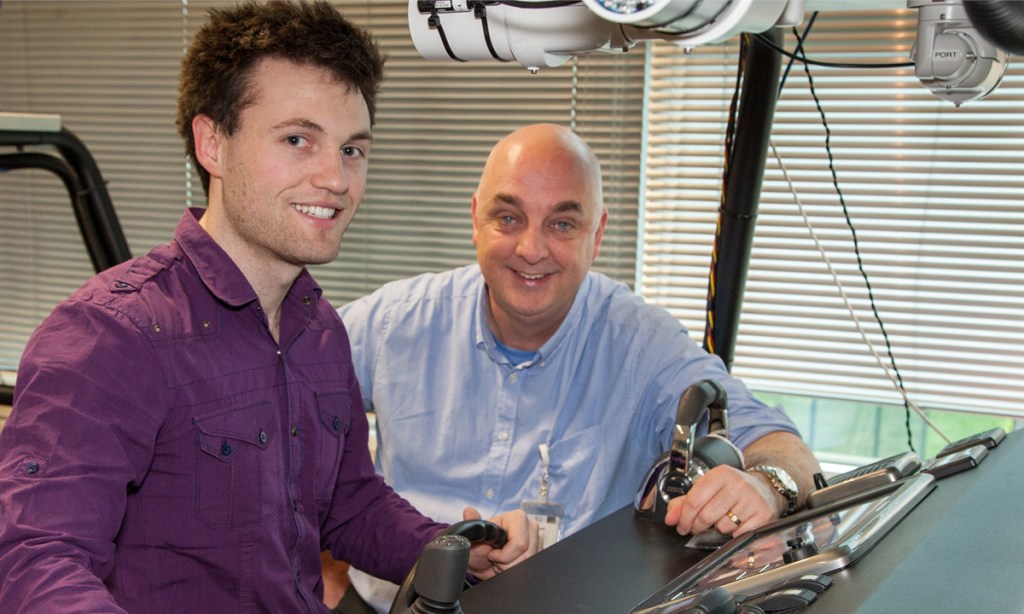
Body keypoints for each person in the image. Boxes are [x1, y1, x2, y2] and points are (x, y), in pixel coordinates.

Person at [0, 3, 536, 612]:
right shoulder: (110, 336)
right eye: (297, 140)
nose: (335, 178)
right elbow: (34, 561)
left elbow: (348, 502)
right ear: (213, 144)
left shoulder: (320, 329)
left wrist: (453, 553)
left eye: (353, 150)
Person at [330, 123, 823, 612]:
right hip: (390, 602)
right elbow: (279, 394)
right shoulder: (395, 322)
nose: (531, 249)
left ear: (598, 233)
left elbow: (782, 446)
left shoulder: (640, 344)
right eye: (508, 217)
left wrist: (766, 483)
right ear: (475, 219)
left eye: (562, 224)